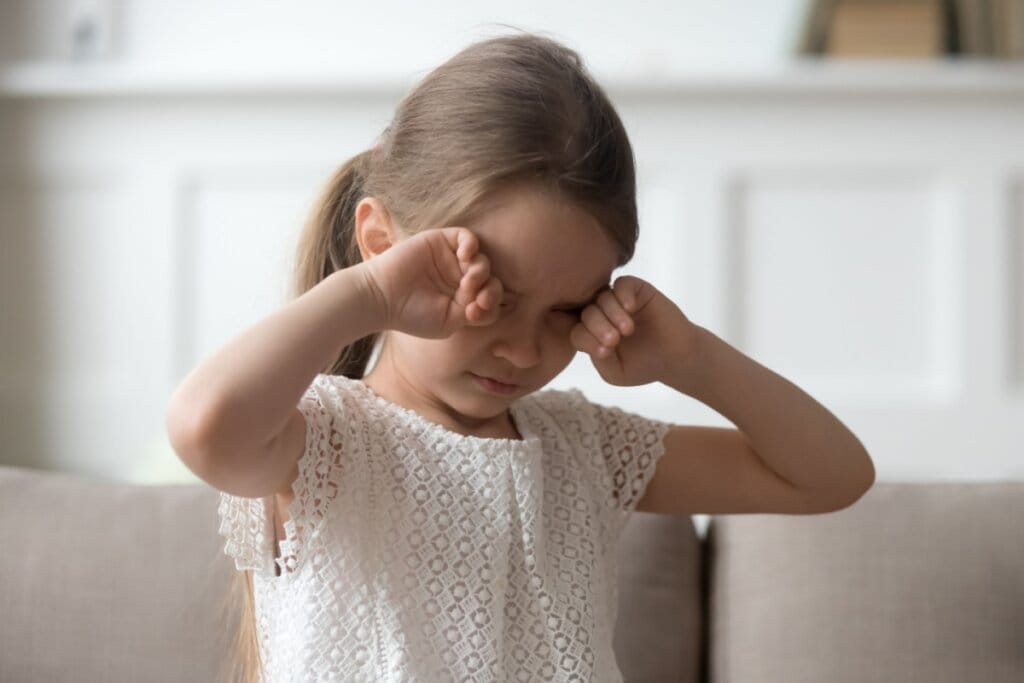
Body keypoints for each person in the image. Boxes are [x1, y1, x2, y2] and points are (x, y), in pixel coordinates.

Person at [166, 30, 875, 683]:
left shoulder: (583, 448)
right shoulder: (325, 442)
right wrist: (369, 292)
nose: (525, 347)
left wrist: (692, 359)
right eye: (493, 296)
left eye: (567, 311)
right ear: (382, 243)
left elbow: (832, 475)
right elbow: (204, 425)